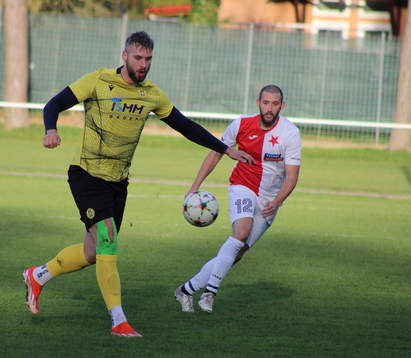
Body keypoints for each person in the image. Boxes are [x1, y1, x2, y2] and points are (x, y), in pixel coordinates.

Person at [22, 31, 251, 337]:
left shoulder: (152, 94)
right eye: (138, 58)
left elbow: (185, 126)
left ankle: (37, 275)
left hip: (119, 181)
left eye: (148, 59)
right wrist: (51, 129)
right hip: (87, 174)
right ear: (125, 56)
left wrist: (226, 149)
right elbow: (54, 104)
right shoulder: (98, 81)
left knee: (93, 252)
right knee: (108, 241)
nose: (143, 64)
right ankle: (119, 321)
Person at [174, 85, 301, 313]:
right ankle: (210, 293)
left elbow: (292, 177)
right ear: (257, 103)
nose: (269, 108)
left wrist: (277, 201)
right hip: (242, 186)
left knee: (237, 252)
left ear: (282, 105)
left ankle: (185, 290)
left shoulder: (290, 133)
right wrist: (194, 187)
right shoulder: (241, 125)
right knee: (240, 232)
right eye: (265, 103)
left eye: (274, 104)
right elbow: (215, 153)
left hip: (270, 199)